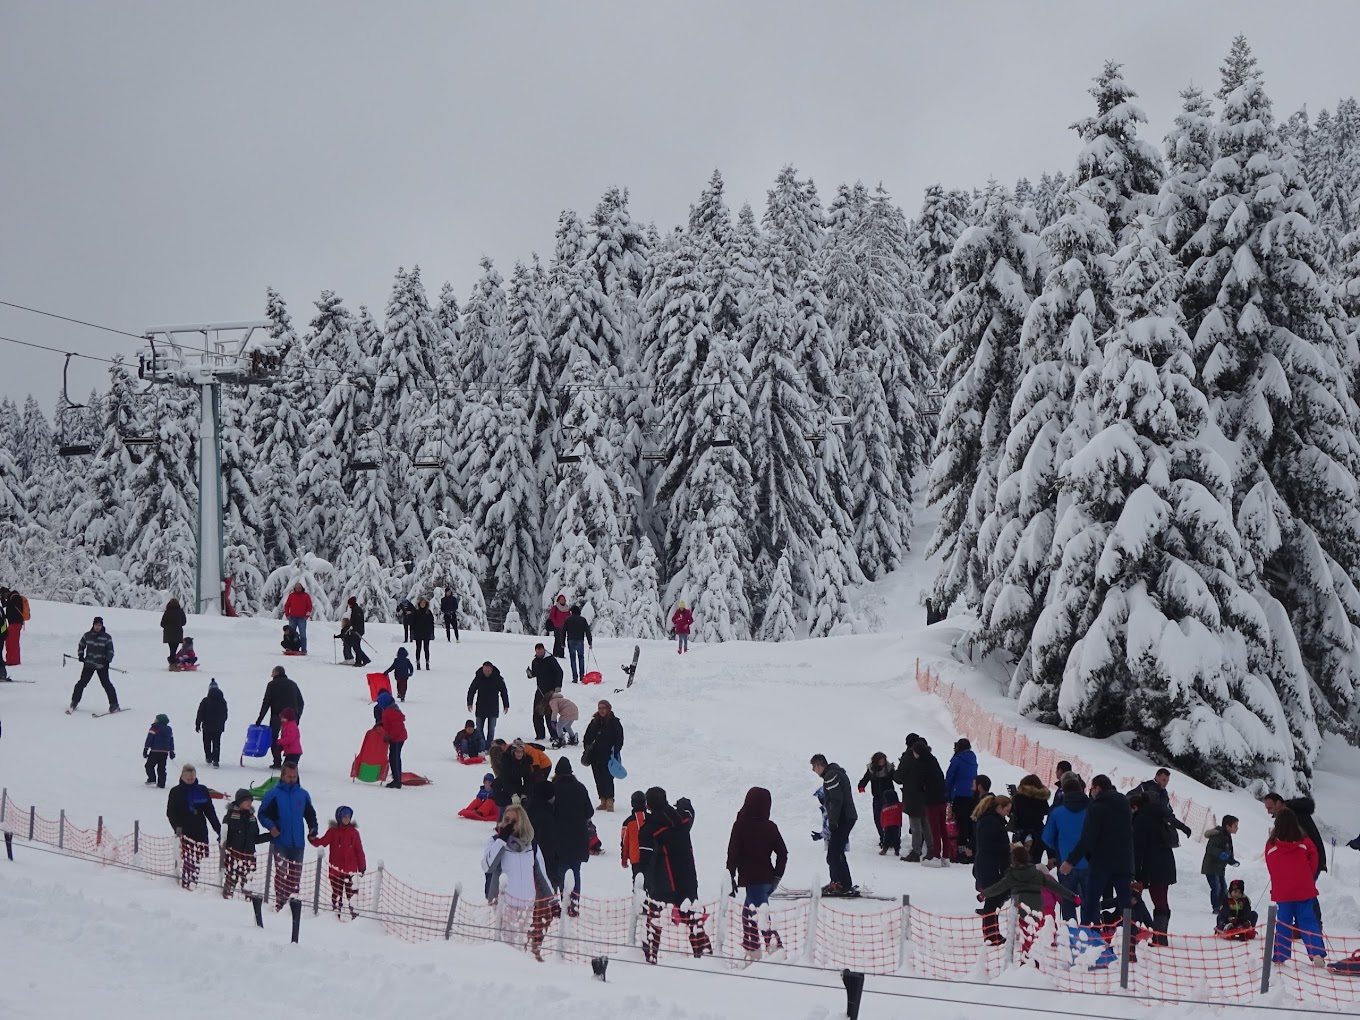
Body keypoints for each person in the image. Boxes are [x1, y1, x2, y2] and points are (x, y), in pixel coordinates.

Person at [639, 788, 709, 963]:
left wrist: (644, 881)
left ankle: (649, 956)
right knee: (693, 919)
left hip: (664, 882)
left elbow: (644, 860)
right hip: (687, 878)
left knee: (655, 921)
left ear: (648, 805)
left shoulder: (649, 830)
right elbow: (688, 811)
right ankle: (705, 955)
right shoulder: (682, 820)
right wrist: (684, 802)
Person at [481, 805, 557, 960]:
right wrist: (502, 839)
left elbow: (541, 873)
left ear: (522, 822)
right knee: (507, 944)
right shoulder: (495, 841)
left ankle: (519, 973)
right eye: (506, 820)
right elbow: (488, 866)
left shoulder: (531, 845)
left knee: (522, 943)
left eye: (514, 821)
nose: (509, 824)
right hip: (503, 901)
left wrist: (553, 900)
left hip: (527, 902)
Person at [1060, 774, 1134, 929]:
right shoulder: (1124, 804)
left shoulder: (1096, 807)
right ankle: (1129, 938)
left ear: (1098, 788)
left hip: (1101, 862)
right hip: (1123, 861)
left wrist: (1071, 861)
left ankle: (1086, 936)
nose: (1091, 792)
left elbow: (1088, 838)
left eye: (1092, 788)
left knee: (1091, 903)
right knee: (1125, 903)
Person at [726, 786, 789, 957]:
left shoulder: (740, 825)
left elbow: (733, 853)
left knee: (759, 917)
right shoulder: (770, 827)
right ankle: (753, 949)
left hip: (751, 879)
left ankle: (774, 951)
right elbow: (783, 853)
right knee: (749, 915)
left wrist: (729, 875)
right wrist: (777, 876)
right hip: (766, 878)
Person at [979, 845, 1076, 954]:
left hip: (1022, 908)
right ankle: (1040, 950)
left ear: (1013, 859)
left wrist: (984, 894)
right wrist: (1073, 896)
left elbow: (997, 888)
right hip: (1038, 907)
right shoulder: (1038, 874)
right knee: (1041, 929)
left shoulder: (1012, 875)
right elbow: (1056, 888)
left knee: (1026, 932)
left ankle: (1028, 955)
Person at [1265, 807, 1327, 966]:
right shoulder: (1305, 842)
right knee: (1308, 921)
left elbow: (1270, 865)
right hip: (1304, 889)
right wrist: (1307, 876)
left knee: (1283, 922)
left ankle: (1280, 956)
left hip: (1283, 891)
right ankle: (1317, 954)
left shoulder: (1271, 844)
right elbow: (1314, 860)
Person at [258, 763, 319, 912]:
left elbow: (310, 815)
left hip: (298, 842)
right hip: (280, 841)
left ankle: (292, 905)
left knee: (295, 876)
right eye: (289, 776)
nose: (292, 779)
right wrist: (271, 827)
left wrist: (313, 829)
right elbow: (262, 814)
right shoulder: (272, 794)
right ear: (283, 776)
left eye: (295, 776)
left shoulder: (303, 794)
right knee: (281, 873)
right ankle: (280, 903)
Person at [1130, 789, 1177, 946]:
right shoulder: (1161, 815)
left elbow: (1139, 848)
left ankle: (1159, 937)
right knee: (1162, 899)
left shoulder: (1142, 819)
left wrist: (1135, 870)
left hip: (1152, 865)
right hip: (1166, 862)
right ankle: (1160, 935)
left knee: (1159, 901)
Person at [166, 762, 221, 890]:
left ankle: (193, 881)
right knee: (188, 858)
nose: (190, 781)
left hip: (200, 829)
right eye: (188, 779)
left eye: (192, 778)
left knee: (197, 859)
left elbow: (210, 812)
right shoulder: (175, 792)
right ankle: (187, 883)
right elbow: (171, 813)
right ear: (182, 777)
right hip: (185, 829)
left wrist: (218, 829)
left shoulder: (202, 790)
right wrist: (177, 829)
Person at [1042, 775, 1089, 922]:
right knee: (1089, 898)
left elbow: (1047, 837)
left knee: (1067, 898)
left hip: (1065, 862)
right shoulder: (1092, 809)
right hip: (1089, 861)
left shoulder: (1057, 812)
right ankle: (1090, 930)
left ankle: (1071, 931)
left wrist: (1057, 847)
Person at [551, 757, 595, 915]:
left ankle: (564, 903)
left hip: (559, 836)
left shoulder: (553, 788)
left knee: (562, 869)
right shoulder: (580, 787)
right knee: (576, 870)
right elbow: (589, 811)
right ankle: (574, 906)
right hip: (579, 837)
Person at [810, 753, 857, 895]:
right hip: (846, 817)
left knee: (834, 854)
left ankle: (840, 884)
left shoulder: (831, 776)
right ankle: (841, 882)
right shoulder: (835, 773)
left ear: (819, 765)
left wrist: (833, 822)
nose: (814, 771)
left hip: (843, 818)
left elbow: (836, 801)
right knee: (836, 852)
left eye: (814, 767)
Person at [310, 806, 367, 919]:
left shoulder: (354, 833)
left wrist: (362, 866)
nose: (346, 819)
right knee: (336, 894)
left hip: (351, 871)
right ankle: (335, 915)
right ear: (339, 818)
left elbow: (359, 850)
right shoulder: (333, 832)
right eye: (344, 817)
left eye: (348, 817)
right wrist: (312, 839)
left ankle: (354, 915)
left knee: (352, 895)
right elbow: (322, 842)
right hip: (336, 870)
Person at [972, 791, 1013, 944]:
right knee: (992, 900)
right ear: (1000, 808)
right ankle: (991, 934)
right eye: (1007, 810)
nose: (1008, 814)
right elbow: (987, 845)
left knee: (994, 900)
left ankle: (992, 933)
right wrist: (1007, 847)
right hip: (991, 866)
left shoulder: (992, 820)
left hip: (992, 865)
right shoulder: (990, 822)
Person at [222, 789, 271, 900]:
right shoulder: (230, 816)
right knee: (231, 881)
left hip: (248, 856)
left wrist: (270, 836)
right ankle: (225, 902)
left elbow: (255, 838)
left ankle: (247, 904)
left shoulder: (252, 818)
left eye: (251, 800)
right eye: (246, 800)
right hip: (233, 856)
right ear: (239, 802)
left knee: (247, 884)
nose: (249, 803)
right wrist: (222, 842)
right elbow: (223, 835)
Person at [255, 665, 304, 770]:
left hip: (277, 716)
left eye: (272, 672)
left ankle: (277, 762)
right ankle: (291, 760)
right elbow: (301, 702)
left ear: (277, 672)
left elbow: (266, 703)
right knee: (290, 738)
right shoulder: (292, 684)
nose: (271, 674)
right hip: (292, 718)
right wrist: (297, 716)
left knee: (274, 739)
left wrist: (259, 719)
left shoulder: (272, 684)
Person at [70, 616, 119, 714]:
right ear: (93, 625)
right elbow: (81, 645)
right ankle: (74, 701)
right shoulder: (87, 635)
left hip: (102, 665)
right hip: (89, 664)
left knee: (107, 684)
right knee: (81, 683)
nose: (98, 627)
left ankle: (114, 704)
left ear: (102, 626)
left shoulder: (107, 637)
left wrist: (107, 661)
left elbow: (110, 651)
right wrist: (80, 655)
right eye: (96, 625)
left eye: (99, 625)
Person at [911, 740, 949, 866]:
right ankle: (946, 857)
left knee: (934, 829)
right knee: (943, 828)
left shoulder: (920, 764)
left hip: (931, 800)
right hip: (942, 798)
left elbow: (918, 783)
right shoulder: (933, 760)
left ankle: (936, 856)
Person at [583, 700, 624, 811]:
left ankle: (610, 800)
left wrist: (615, 751)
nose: (601, 710)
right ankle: (603, 800)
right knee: (598, 778)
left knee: (608, 779)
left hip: (608, 757)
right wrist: (587, 749)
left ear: (608, 708)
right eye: (599, 708)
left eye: (603, 708)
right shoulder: (594, 722)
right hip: (595, 756)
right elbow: (587, 737)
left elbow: (619, 739)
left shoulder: (614, 722)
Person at [894, 732, 929, 862]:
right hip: (926, 794)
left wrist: (894, 772)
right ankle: (930, 849)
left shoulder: (908, 757)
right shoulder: (927, 757)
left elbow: (899, 777)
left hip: (912, 794)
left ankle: (916, 851)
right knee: (925, 822)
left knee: (915, 824)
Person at [945, 738, 979, 863]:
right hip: (971, 794)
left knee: (960, 824)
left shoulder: (957, 760)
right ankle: (970, 850)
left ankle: (960, 850)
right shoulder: (973, 759)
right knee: (969, 823)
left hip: (959, 794)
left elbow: (949, 778)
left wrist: (947, 796)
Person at [857, 752, 896, 854]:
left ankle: (891, 840)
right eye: (880, 761)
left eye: (883, 760)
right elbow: (864, 780)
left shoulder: (889, 768)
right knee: (878, 819)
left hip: (889, 799)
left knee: (890, 820)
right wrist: (861, 787)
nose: (882, 763)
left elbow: (897, 778)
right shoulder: (871, 770)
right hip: (877, 798)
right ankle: (883, 838)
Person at [1202, 815, 1241, 915]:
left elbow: (1228, 851)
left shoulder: (1227, 836)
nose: (1237, 828)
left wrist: (1231, 861)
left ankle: (1222, 906)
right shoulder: (1218, 835)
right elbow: (1211, 848)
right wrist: (1220, 854)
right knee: (1216, 888)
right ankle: (1216, 907)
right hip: (1211, 867)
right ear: (1228, 826)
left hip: (1220, 868)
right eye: (1235, 826)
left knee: (1223, 888)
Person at [467, 661, 510, 746]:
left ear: (492, 669)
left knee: (491, 729)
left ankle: (489, 746)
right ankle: (482, 744)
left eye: (488, 671)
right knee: (479, 729)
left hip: (493, 708)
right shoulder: (478, 677)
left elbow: (504, 691)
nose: (486, 672)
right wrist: (469, 703)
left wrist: (506, 705)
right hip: (480, 707)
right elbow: (472, 690)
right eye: (485, 670)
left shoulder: (498, 678)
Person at [528, 643, 564, 741]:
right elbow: (535, 673)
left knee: (550, 714)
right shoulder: (535, 661)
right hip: (540, 690)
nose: (539, 652)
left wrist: (558, 686)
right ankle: (540, 735)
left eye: (541, 650)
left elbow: (559, 672)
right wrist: (530, 674)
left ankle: (554, 735)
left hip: (551, 691)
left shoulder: (551, 660)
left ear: (544, 650)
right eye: (537, 651)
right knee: (537, 712)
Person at [1009, 773, 1051, 857]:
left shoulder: (1018, 798)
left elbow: (1011, 813)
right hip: (1038, 833)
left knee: (1018, 859)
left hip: (1020, 833)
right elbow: (1046, 811)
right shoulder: (1042, 799)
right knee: (1035, 860)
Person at [376, 690, 407, 789]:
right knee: (395, 757)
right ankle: (397, 779)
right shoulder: (390, 709)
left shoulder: (391, 711)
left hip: (397, 738)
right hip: (397, 737)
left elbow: (396, 727)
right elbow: (389, 723)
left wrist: (390, 736)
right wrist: (380, 724)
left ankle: (397, 781)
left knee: (394, 758)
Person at [194, 679, 228, 768]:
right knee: (217, 743)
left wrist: (198, 724)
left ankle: (208, 757)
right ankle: (216, 760)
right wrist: (222, 723)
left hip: (207, 726)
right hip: (218, 727)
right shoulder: (222, 701)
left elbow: (200, 712)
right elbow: (225, 714)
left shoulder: (205, 701)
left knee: (207, 742)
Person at [621, 790, 647, 882]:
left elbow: (624, 843)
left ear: (632, 803)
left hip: (635, 858)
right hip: (651, 857)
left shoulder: (628, 822)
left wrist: (624, 859)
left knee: (638, 882)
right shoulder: (652, 819)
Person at [143, 713, 175, 788]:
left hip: (154, 751)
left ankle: (152, 779)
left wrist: (146, 749)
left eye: (156, 719)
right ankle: (161, 783)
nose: (154, 721)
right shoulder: (169, 730)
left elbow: (149, 739)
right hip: (164, 752)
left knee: (149, 766)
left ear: (159, 721)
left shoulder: (154, 728)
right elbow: (171, 741)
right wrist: (171, 751)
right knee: (162, 768)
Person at [564, 605, 593, 683]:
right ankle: (582, 675)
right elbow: (587, 631)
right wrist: (590, 642)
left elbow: (563, 631)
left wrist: (562, 642)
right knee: (581, 658)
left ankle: (575, 677)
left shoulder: (568, 619)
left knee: (573, 659)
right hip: (580, 640)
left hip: (571, 640)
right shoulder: (582, 620)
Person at [283, 582, 313, 655]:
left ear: (301, 588)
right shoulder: (291, 595)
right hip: (292, 618)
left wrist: (306, 616)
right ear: (294, 588)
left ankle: (303, 649)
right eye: (297, 588)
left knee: (303, 634)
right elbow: (286, 606)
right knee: (290, 634)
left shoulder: (306, 596)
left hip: (302, 618)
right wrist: (287, 614)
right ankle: (290, 648)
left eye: (299, 588)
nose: (298, 589)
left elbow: (310, 607)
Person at [409, 597, 435, 669]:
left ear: (426, 604)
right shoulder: (416, 612)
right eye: (421, 603)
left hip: (426, 633)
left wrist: (432, 633)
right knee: (418, 648)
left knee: (426, 649)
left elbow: (431, 623)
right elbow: (412, 624)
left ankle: (427, 663)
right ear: (419, 604)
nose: (422, 604)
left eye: (424, 603)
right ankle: (418, 662)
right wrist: (412, 634)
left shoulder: (429, 613)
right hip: (418, 633)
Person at [161, 597, 187, 667]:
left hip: (168, 634)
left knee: (172, 648)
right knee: (174, 648)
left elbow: (162, 624)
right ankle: (172, 662)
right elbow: (184, 622)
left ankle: (171, 660)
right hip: (178, 633)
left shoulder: (167, 612)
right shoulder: (180, 611)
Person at [346, 597, 371, 666]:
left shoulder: (357, 610)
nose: (349, 605)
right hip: (356, 631)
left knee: (356, 646)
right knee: (356, 646)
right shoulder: (355, 609)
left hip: (357, 631)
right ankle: (358, 661)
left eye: (349, 604)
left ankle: (365, 659)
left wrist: (354, 627)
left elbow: (358, 621)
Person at [545, 593, 570, 658]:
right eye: (561, 599)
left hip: (564, 627)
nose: (562, 600)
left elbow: (569, 616)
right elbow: (551, 616)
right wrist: (556, 622)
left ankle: (561, 654)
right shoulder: (555, 607)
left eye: (563, 599)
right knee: (557, 640)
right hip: (557, 626)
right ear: (558, 600)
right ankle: (556, 653)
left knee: (562, 640)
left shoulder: (567, 608)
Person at [3, 589, 24, 666]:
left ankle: (14, 661)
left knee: (13, 642)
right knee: (9, 642)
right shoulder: (12, 597)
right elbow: (6, 605)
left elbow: (8, 605)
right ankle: (10, 660)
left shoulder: (15, 597)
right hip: (14, 623)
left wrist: (3, 598)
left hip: (16, 623)